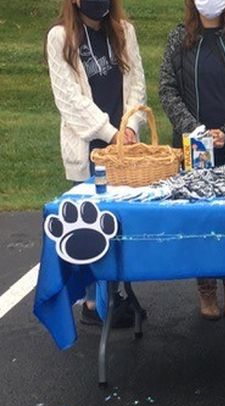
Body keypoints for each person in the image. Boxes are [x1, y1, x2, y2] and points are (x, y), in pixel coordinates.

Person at [159, 0, 225, 319]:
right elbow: (167, 89)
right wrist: (195, 130)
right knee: (201, 221)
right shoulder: (180, 38)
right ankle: (205, 285)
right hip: (195, 152)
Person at [46, 0, 148, 328]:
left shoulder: (123, 32)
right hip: (90, 148)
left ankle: (117, 293)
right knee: (93, 226)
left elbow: (137, 84)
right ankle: (94, 301)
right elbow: (69, 101)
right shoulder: (60, 38)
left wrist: (130, 127)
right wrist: (110, 132)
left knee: (121, 225)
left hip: (124, 150)